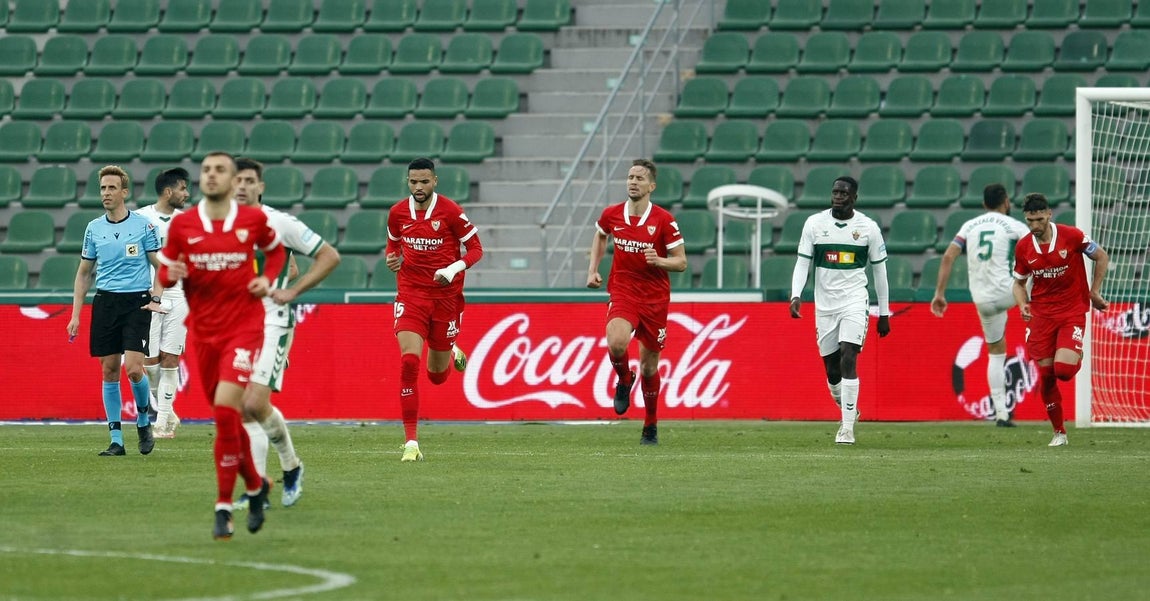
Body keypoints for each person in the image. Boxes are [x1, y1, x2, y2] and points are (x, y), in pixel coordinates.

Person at [157, 152, 286, 539]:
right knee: (225, 417)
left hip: (244, 330)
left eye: (220, 170)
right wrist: (171, 272)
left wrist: (269, 279)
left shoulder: (252, 220)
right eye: (207, 170)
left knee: (228, 410)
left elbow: (276, 252)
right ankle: (256, 485)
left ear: (233, 182)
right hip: (204, 333)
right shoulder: (184, 224)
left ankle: (223, 507)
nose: (212, 175)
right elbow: (164, 269)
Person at [231, 157, 341, 509]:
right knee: (246, 410)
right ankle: (269, 483)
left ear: (260, 186)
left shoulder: (278, 222)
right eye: (238, 180)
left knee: (252, 403)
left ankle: (284, 472)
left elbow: (328, 256)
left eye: (250, 180)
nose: (243, 186)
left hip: (272, 324)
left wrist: (292, 291)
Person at [385, 157, 483, 462]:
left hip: (446, 298)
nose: (418, 187)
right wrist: (393, 259)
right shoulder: (397, 213)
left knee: (437, 376)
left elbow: (477, 249)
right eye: (413, 181)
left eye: (424, 181)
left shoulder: (451, 211)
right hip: (411, 295)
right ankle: (411, 442)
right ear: (408, 181)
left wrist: (453, 268)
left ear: (435, 181)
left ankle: (450, 349)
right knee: (409, 362)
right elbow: (393, 246)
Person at [585, 158, 687, 445]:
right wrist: (593, 269)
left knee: (649, 367)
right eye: (630, 177)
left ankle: (650, 424)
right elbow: (600, 235)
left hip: (654, 299)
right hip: (623, 290)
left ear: (651, 186)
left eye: (640, 178)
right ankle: (624, 380)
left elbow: (681, 263)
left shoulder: (664, 220)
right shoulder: (612, 214)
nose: (633, 182)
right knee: (616, 342)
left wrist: (660, 261)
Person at [66, 165, 163, 457]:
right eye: (103, 188)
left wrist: (156, 297)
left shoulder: (144, 226)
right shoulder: (94, 228)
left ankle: (144, 422)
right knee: (109, 370)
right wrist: (75, 314)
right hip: (106, 302)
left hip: (137, 302)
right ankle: (116, 439)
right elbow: (84, 274)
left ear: (124, 192)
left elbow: (162, 267)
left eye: (111, 188)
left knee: (134, 369)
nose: (106, 193)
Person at [789, 176, 892, 445]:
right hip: (825, 306)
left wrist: (883, 312)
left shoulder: (868, 228)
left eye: (843, 193)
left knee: (849, 355)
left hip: (854, 301)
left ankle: (846, 428)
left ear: (854, 198)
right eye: (835, 192)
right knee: (832, 370)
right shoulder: (814, 223)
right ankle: (848, 408)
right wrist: (796, 295)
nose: (837, 196)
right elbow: (802, 263)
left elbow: (880, 273)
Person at [1012, 193, 1109, 447]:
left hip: (1071, 311)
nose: (1035, 226)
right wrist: (1023, 303)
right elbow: (1019, 283)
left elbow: (1101, 256)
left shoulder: (1072, 236)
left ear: (1049, 214)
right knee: (1046, 376)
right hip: (1042, 315)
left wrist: (1094, 291)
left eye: (1039, 219)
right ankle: (1059, 432)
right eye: (1030, 220)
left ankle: (1074, 354)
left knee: (1063, 371)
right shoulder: (1023, 247)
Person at [931, 184, 1030, 427]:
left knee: (996, 353)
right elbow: (1035, 251)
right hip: (1010, 293)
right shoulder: (1015, 226)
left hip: (983, 300)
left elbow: (947, 256)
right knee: (1039, 269)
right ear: (1006, 202)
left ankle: (1001, 414)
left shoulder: (969, 226)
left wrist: (939, 294)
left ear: (984, 204)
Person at [136, 167, 191, 438]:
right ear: (168, 191)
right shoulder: (140, 218)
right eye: (183, 188)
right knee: (149, 361)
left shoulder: (190, 222)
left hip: (178, 293)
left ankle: (163, 422)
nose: (187, 193)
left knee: (171, 357)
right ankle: (167, 411)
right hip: (147, 294)